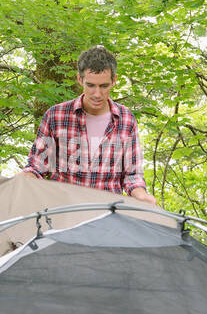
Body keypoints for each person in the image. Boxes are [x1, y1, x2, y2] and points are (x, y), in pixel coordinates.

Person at [20, 45, 157, 204]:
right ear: (80, 79)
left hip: (108, 216)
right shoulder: (56, 115)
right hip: (64, 212)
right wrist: (22, 178)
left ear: (114, 81)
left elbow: (132, 175)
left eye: (104, 86)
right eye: (91, 85)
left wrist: (141, 195)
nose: (97, 94)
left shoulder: (126, 119)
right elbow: (36, 167)